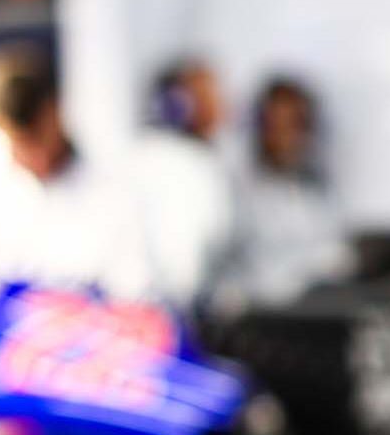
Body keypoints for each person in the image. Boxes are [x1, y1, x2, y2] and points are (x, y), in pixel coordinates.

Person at [0, 42, 153, 298]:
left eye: (42, 136)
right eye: (21, 143)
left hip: (89, 320)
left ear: (57, 111)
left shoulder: (111, 175)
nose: (37, 157)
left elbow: (133, 285)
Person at [216, 76, 352, 308]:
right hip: (263, 319)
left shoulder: (316, 188)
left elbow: (335, 254)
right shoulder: (233, 190)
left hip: (320, 312)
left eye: (296, 125)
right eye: (276, 126)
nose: (287, 137)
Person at [132, 56, 236, 308]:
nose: (221, 104)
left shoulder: (150, 153)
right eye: (207, 94)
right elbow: (187, 265)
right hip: (171, 314)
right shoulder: (183, 166)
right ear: (177, 104)